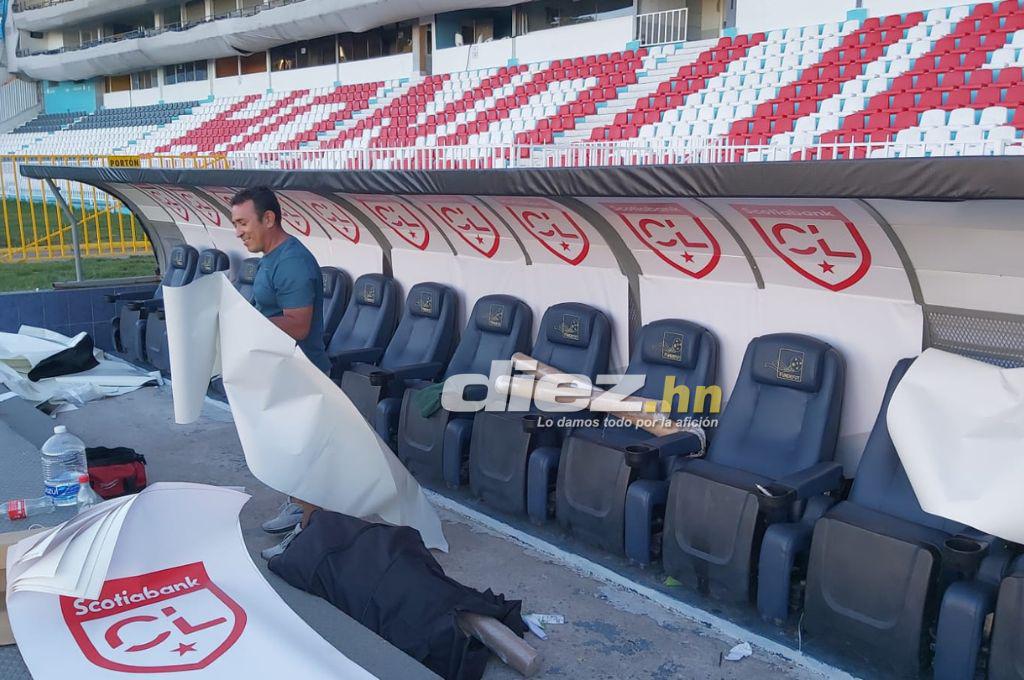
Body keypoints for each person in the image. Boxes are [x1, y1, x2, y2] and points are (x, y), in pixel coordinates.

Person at [230, 186, 327, 559]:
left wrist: (245, 323)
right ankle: (297, 506)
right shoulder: (269, 258)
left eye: (243, 222)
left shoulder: (292, 263)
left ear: (268, 218)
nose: (238, 231)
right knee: (287, 456)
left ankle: (306, 534)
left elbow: (299, 325)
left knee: (305, 461)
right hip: (279, 372)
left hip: (303, 376)